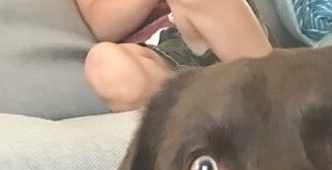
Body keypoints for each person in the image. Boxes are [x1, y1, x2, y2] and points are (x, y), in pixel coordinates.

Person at [76, 0, 272, 112]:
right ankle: (218, 109)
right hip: (161, 57)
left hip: (220, 31)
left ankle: (279, 94)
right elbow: (103, 25)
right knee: (104, 66)